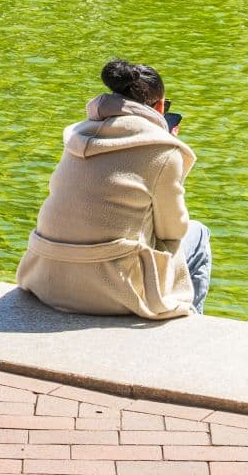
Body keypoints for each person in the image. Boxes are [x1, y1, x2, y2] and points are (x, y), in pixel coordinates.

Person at [16, 59, 211, 320]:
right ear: (160, 107)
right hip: (113, 290)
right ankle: (190, 326)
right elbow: (173, 231)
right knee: (199, 234)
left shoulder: (76, 136)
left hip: (44, 277)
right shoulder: (164, 151)